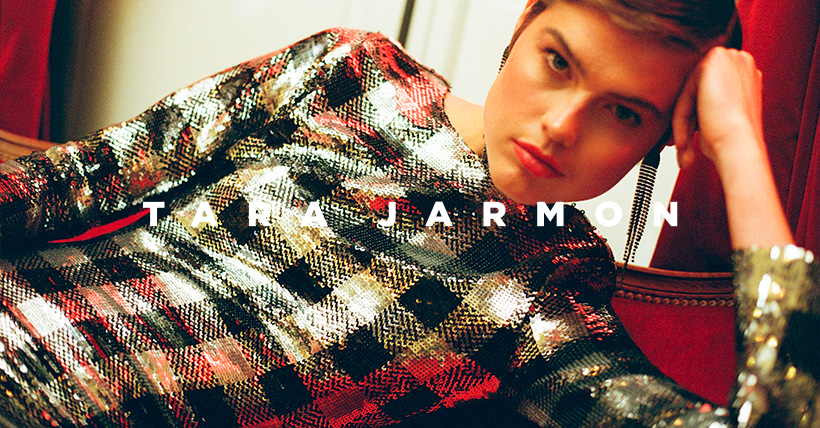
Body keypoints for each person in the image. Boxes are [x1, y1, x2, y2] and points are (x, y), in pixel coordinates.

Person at [0, 0, 816, 427]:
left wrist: (743, 151)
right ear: (524, 23)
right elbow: (79, 178)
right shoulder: (347, 72)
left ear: (663, 142)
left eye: (625, 113)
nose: (563, 125)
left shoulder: (547, 298)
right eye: (557, 62)